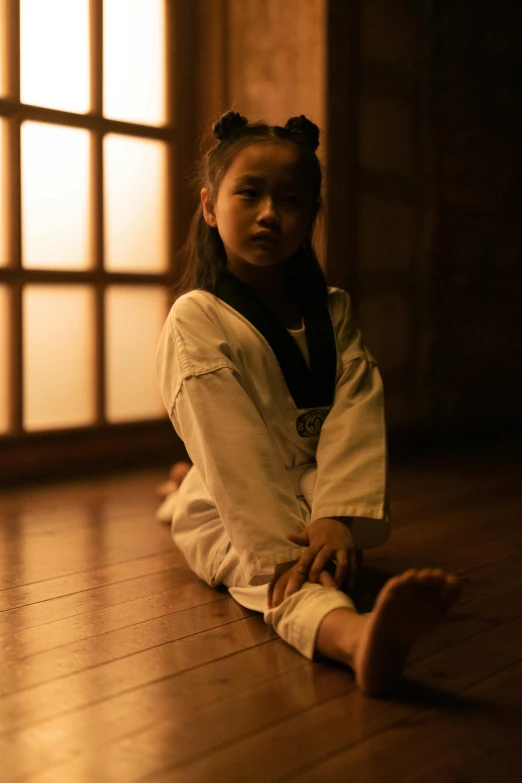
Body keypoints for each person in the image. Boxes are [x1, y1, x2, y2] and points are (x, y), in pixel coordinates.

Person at [155, 111, 460, 697]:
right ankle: (354, 637)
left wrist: (337, 514)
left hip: (318, 490)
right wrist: (283, 546)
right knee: (267, 564)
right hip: (238, 502)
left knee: (288, 529)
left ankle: (179, 485)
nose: (270, 213)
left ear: (311, 217)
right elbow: (233, 450)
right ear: (210, 206)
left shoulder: (334, 308)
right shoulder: (196, 317)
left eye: (291, 200)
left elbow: (354, 412)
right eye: (249, 193)